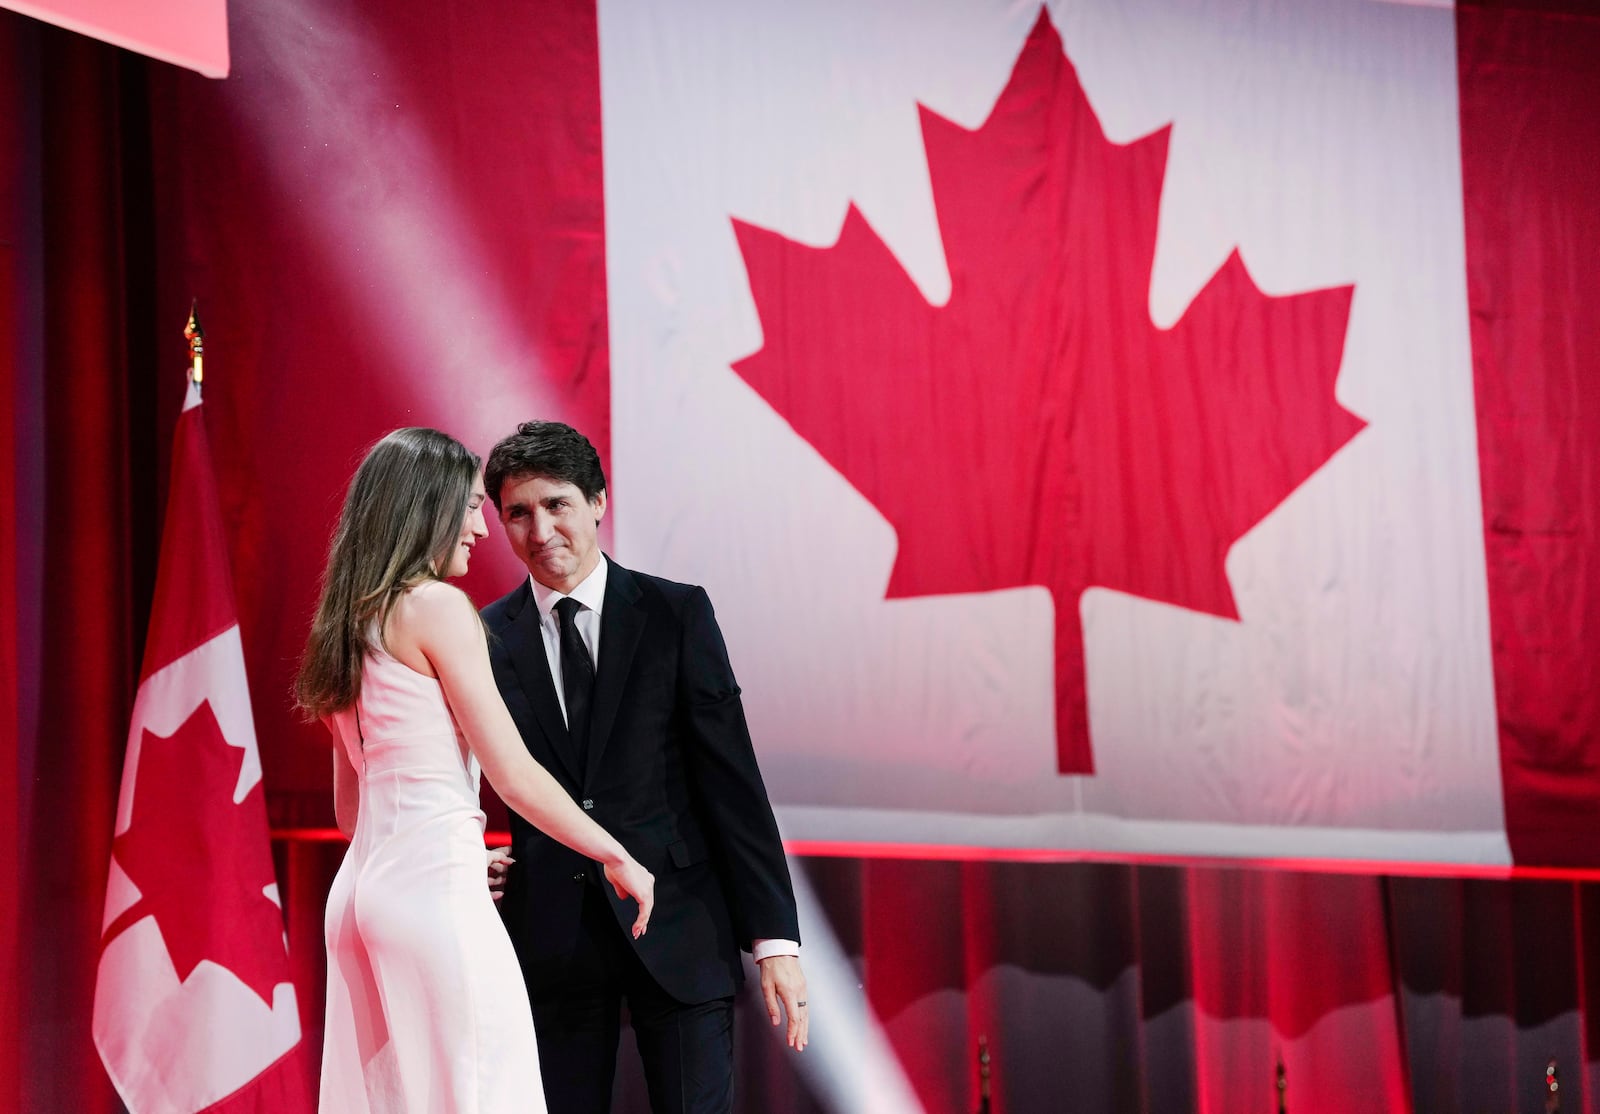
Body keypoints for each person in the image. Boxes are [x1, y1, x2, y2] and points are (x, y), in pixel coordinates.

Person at [296, 427, 655, 1113]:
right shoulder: (434, 607)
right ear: (422, 509)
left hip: (359, 903)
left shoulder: (343, 624)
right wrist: (615, 855)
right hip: (432, 905)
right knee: (486, 1095)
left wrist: (457, 845)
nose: (480, 531)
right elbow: (512, 772)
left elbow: (353, 814)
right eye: (467, 507)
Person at [481, 420, 808, 1114]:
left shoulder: (675, 613)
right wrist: (469, 857)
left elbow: (733, 782)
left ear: (598, 500)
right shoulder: (482, 637)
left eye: (556, 504)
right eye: (518, 512)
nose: (540, 530)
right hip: (551, 940)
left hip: (683, 929)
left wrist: (774, 937)